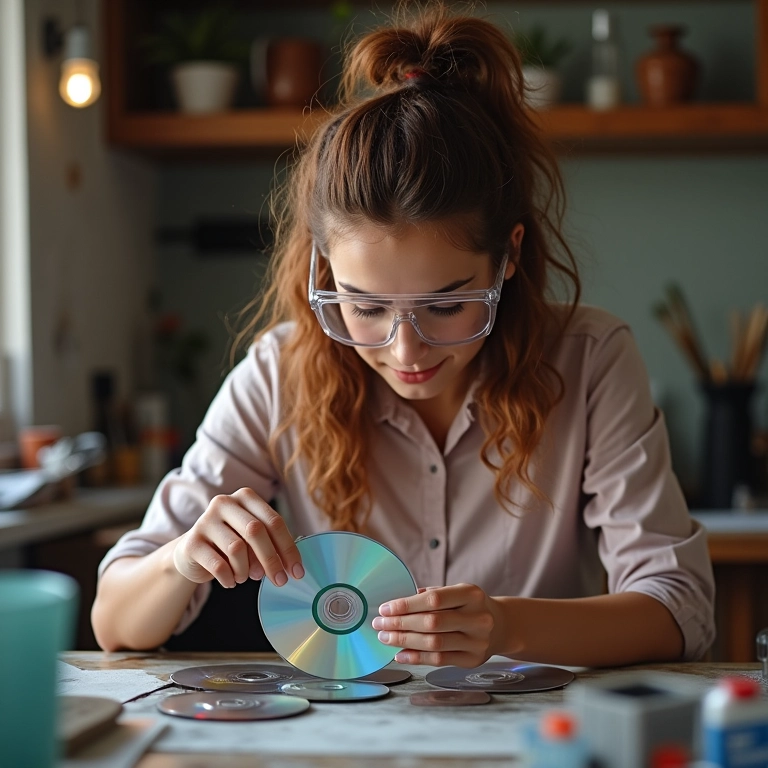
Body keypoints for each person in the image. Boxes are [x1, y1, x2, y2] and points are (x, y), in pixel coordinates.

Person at [92, 3, 715, 667]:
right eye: (365, 308)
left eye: (447, 306)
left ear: (506, 259)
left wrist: (506, 628)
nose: (405, 349)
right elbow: (114, 621)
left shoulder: (590, 360)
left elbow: (680, 607)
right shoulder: (280, 372)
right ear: (323, 270)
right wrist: (182, 560)